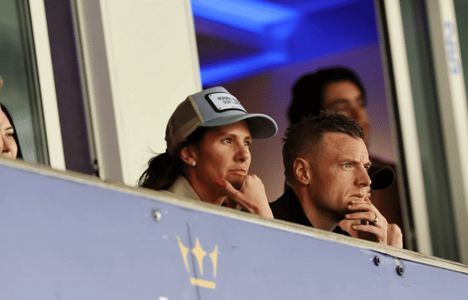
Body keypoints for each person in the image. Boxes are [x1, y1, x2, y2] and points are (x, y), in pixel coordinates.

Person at [287, 66, 404, 231]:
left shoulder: (400, 180)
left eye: (361, 103)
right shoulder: (291, 204)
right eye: (342, 109)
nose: (359, 115)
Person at [139, 86, 277, 218]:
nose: (244, 155)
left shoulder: (233, 214)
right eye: (227, 140)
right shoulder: (160, 211)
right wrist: (262, 214)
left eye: (246, 143)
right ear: (189, 155)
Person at [271, 112, 402, 247]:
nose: (366, 180)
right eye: (347, 165)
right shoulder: (261, 223)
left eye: (366, 167)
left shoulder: (348, 244)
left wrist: (377, 253)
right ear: (303, 172)